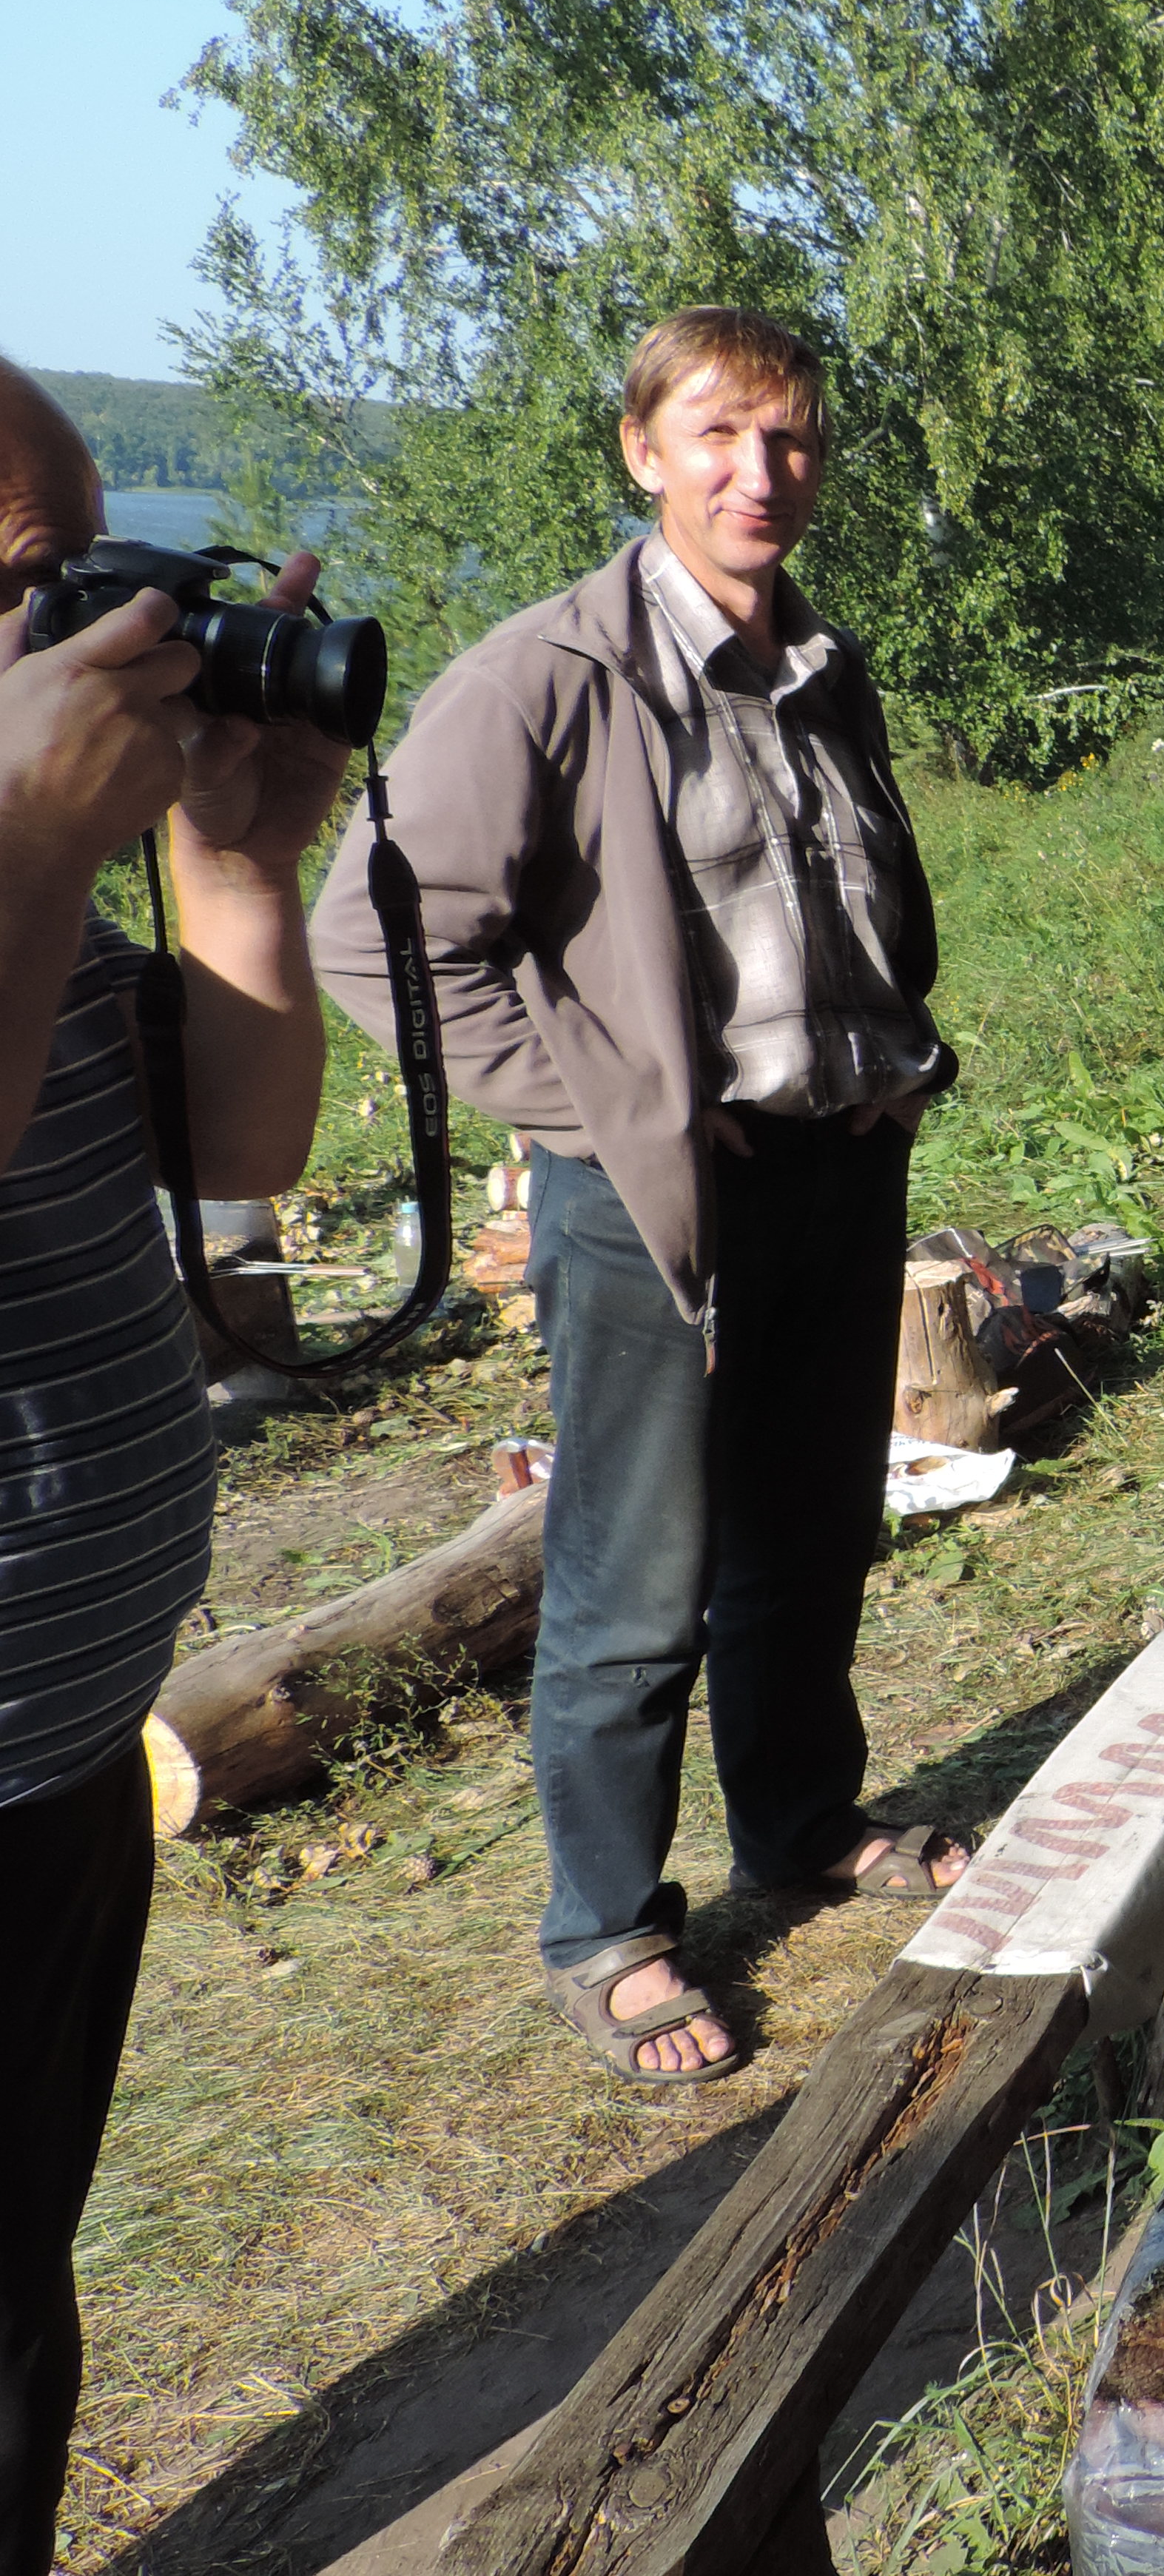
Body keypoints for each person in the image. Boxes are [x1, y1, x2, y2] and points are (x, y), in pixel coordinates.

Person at [314, 309, 969, 2085]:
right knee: (636, 1575)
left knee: (809, 1532)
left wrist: (895, 1058)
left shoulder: (822, 662)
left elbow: (847, 901)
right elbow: (377, 937)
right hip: (653, 1197)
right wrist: (593, 1112)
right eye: (718, 434)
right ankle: (605, 1931)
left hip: (833, 1160)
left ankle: (800, 1826)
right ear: (642, 450)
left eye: (792, 437)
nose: (761, 472)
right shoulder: (547, 673)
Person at [0, 364, 343, 2570]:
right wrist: (35, 837)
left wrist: (233, 858)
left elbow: (237, 1143)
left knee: (16, 2293)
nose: (96, 628)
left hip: (58, 1738)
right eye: (40, 588)